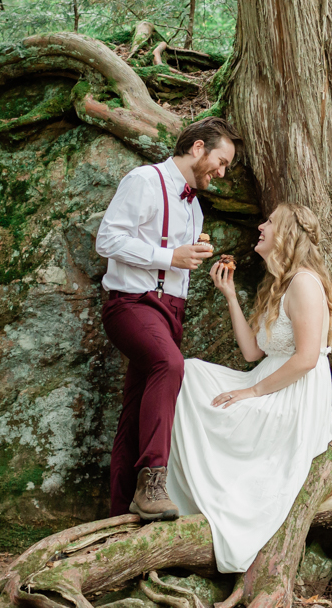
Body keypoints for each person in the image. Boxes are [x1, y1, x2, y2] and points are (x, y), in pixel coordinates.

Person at [166, 203, 332, 574]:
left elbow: (307, 358)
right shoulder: (281, 285)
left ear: (288, 233)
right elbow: (252, 352)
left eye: (270, 222)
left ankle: (216, 506)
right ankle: (185, 501)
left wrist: (254, 393)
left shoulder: (305, 283)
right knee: (190, 372)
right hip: (265, 378)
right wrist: (229, 294)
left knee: (222, 404)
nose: (261, 226)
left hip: (293, 393)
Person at [96, 117, 241, 520]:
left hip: (170, 313)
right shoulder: (144, 181)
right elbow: (106, 239)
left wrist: (194, 264)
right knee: (169, 364)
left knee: (134, 409)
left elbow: (176, 267)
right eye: (221, 161)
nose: (222, 171)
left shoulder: (194, 207)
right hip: (132, 304)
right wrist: (169, 257)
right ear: (197, 148)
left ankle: (117, 513)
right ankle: (153, 482)